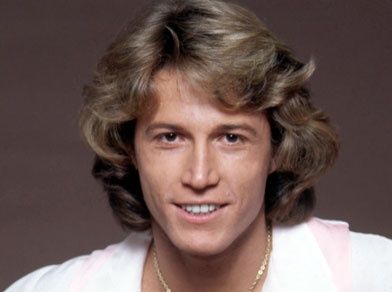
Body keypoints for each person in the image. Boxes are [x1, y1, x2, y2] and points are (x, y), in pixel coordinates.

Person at [6, 0, 392, 291]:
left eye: (231, 138)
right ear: (130, 150)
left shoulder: (375, 276)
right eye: (170, 137)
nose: (200, 175)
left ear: (277, 149)